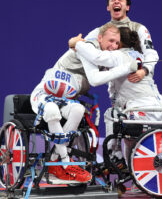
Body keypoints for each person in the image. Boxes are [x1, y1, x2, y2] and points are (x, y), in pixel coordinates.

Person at [31, 24, 139, 183]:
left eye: (117, 43)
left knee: (78, 110)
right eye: (111, 41)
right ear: (100, 38)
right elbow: (95, 79)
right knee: (53, 110)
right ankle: (66, 164)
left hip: (66, 99)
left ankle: (55, 162)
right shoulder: (88, 49)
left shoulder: (103, 56)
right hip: (44, 94)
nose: (114, 46)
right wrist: (126, 67)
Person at [70, 27, 162, 165]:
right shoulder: (141, 57)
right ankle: (118, 158)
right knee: (117, 116)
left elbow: (97, 57)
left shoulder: (117, 56)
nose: (113, 45)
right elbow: (153, 55)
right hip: (160, 110)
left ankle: (114, 154)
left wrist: (77, 44)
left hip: (141, 111)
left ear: (120, 43)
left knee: (111, 115)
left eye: (115, 42)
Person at [85, 0, 159, 83]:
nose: (116, 2)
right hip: (116, 86)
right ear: (108, 7)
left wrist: (144, 70)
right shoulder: (100, 31)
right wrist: (76, 44)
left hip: (138, 81)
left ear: (127, 7)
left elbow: (151, 54)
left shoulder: (139, 28)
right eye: (113, 0)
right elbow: (84, 47)